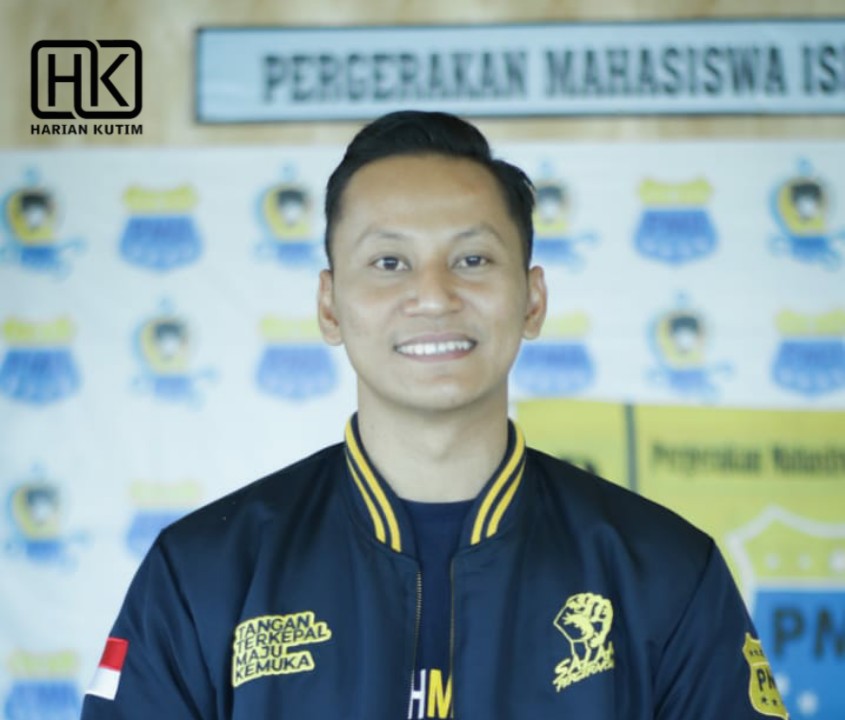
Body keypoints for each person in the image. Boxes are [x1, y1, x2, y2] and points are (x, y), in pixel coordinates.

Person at [81, 110, 787, 719]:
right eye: (388, 263)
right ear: (329, 306)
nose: (433, 296)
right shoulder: (205, 571)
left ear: (532, 300)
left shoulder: (661, 569)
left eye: (472, 259)